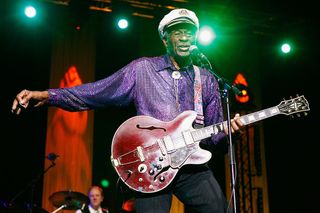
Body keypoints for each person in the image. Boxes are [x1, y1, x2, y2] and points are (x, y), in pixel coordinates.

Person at [11, 8, 243, 213]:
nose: (184, 37)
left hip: (193, 167)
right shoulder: (142, 69)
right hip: (152, 166)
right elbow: (96, 92)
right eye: (177, 32)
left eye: (189, 32)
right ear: (165, 38)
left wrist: (231, 133)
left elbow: (216, 142)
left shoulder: (207, 79)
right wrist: (48, 95)